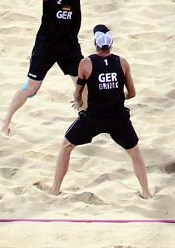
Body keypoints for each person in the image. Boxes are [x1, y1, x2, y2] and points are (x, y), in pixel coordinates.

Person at [0, 0, 123, 137]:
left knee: (84, 86)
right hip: (46, 46)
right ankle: (5, 121)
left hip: (69, 48)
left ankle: (88, 121)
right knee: (31, 88)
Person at [49, 24, 151, 199]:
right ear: (111, 43)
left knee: (66, 146)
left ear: (95, 43)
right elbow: (132, 93)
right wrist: (117, 97)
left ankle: (55, 189)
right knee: (135, 152)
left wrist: (79, 102)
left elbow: (78, 92)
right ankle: (146, 193)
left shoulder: (86, 63)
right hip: (118, 118)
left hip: (93, 118)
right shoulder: (122, 62)